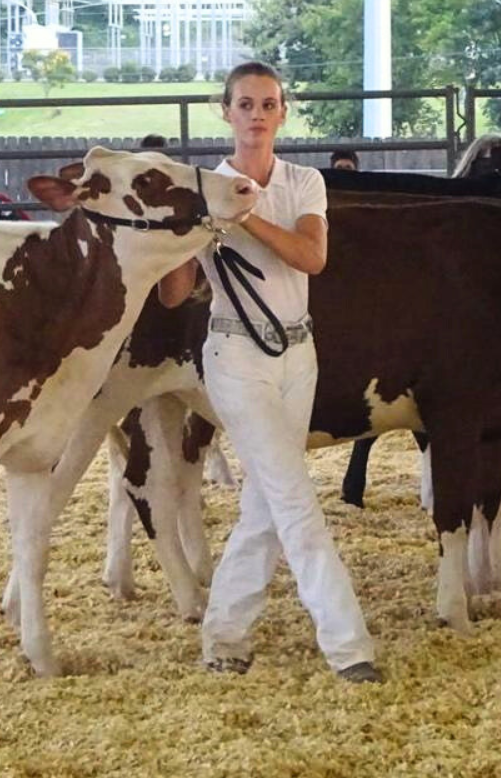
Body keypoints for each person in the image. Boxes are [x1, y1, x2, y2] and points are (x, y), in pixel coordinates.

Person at [158, 61, 379, 684]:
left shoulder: (305, 182)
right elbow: (175, 295)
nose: (256, 114)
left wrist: (240, 214)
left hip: (299, 354)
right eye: (245, 104)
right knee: (293, 497)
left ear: (283, 113)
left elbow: (312, 256)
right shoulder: (201, 190)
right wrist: (186, 232)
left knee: (265, 504)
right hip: (234, 356)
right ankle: (348, 645)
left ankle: (225, 637)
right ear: (225, 112)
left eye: (268, 104)